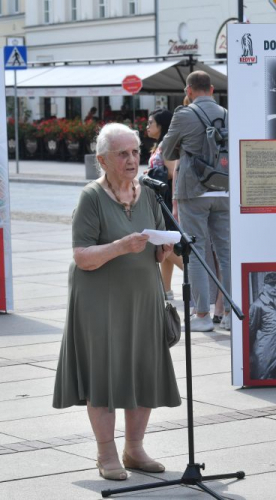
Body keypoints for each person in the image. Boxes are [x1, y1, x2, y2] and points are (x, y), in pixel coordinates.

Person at [52, 123, 181, 481]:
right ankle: (107, 454)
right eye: (122, 153)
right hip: (99, 303)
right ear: (102, 160)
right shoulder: (91, 197)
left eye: (135, 151)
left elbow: (155, 252)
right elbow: (82, 256)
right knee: (104, 376)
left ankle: (135, 449)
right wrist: (120, 246)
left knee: (143, 371)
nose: (131, 159)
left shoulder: (151, 193)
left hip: (143, 299)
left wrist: (163, 251)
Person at [161, 70, 231, 332]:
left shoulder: (183, 114)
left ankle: (202, 315)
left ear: (188, 91)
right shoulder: (227, 114)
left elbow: (167, 150)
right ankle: (230, 316)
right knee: (227, 253)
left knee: (198, 252)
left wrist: (187, 147)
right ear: (212, 89)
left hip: (194, 189)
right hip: (224, 188)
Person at [145, 108, 184, 300]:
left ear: (161, 124)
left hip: (166, 200)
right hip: (162, 199)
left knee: (166, 243)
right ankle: (166, 289)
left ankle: (197, 279)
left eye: (150, 122)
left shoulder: (166, 146)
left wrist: (153, 174)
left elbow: (171, 172)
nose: (147, 126)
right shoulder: (161, 144)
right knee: (166, 245)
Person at [249, 273, 276, 379]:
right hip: (265, 354)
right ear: (264, 286)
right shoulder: (257, 305)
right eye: (272, 285)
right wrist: (250, 355)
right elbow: (250, 332)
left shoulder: (275, 302)